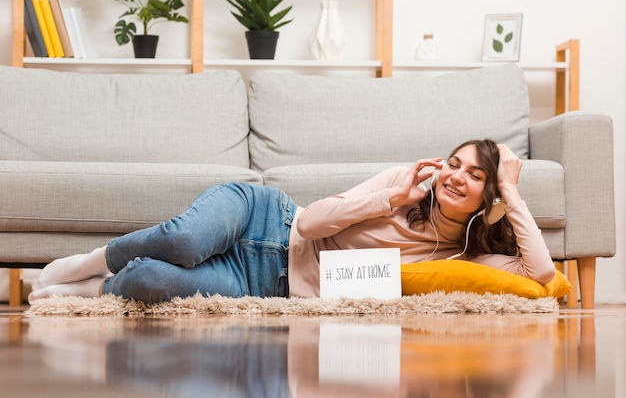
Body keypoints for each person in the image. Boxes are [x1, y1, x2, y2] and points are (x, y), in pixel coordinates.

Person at [28, 139, 555, 303]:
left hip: (267, 281)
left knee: (149, 281)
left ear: (490, 197)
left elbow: (541, 278)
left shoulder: (468, 253)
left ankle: (94, 288)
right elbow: (310, 224)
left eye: (477, 176)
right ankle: (89, 260)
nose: (456, 176)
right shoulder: (402, 184)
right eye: (453, 164)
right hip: (264, 218)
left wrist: (512, 189)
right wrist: (389, 198)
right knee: (186, 239)